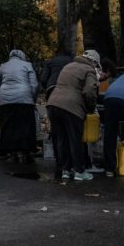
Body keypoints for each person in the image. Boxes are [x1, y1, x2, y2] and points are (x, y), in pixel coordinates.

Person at [46, 49, 101, 181]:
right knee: (75, 139)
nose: (96, 68)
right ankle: (79, 171)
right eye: (96, 65)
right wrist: (91, 108)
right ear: (93, 62)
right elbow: (89, 91)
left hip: (53, 104)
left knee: (61, 139)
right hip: (72, 107)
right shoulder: (89, 70)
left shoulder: (68, 66)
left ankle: (65, 170)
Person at [0, 49, 39, 164]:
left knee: (8, 125)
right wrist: (33, 99)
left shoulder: (3, 66)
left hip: (6, 100)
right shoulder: (27, 65)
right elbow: (34, 85)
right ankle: (26, 151)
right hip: (25, 98)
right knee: (26, 125)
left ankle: (11, 151)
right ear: (22, 56)